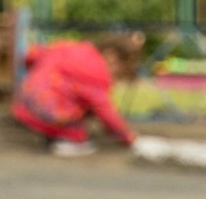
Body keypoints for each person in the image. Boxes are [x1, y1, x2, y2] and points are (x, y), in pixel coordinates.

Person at [9, 36, 139, 155]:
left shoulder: (70, 47)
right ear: (112, 57)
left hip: (24, 104)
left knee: (65, 96)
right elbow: (105, 110)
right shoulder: (97, 71)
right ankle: (67, 141)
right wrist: (127, 137)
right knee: (80, 133)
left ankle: (50, 134)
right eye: (120, 70)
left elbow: (33, 54)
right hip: (50, 114)